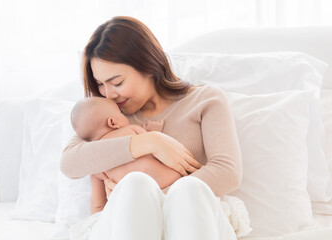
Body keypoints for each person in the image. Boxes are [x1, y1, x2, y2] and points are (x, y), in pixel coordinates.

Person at [61, 16, 242, 240]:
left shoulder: (206, 99)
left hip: (191, 216)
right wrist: (148, 142)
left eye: (117, 82)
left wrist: (162, 196)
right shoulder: (106, 116)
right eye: (100, 84)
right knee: (136, 184)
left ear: (147, 66)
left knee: (189, 190)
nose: (108, 94)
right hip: (130, 224)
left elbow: (227, 172)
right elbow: (69, 163)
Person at [70, 96, 181, 215]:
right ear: (113, 122)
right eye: (120, 113)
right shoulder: (132, 130)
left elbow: (97, 204)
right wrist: (155, 129)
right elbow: (156, 146)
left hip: (134, 202)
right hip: (171, 184)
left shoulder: (97, 167)